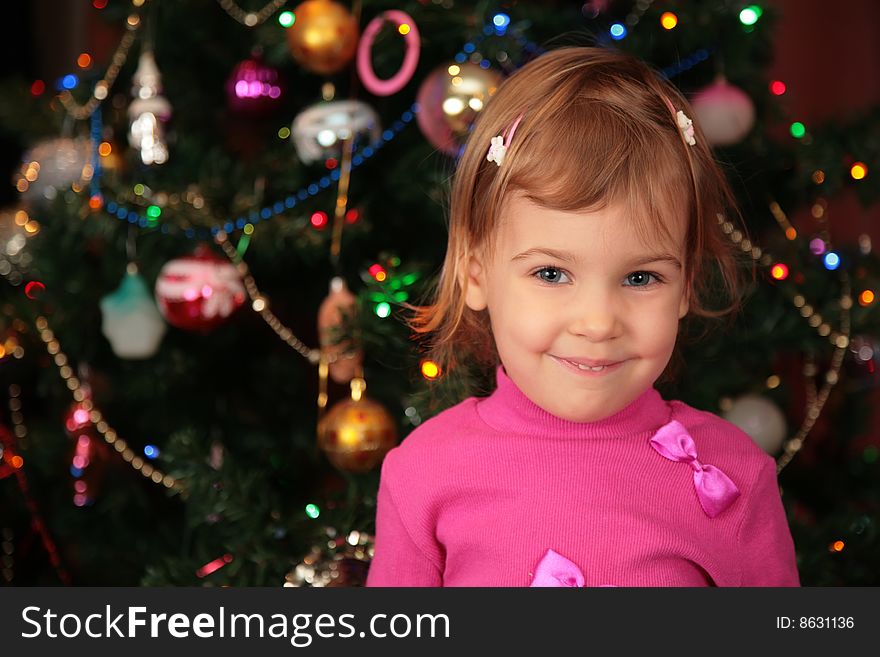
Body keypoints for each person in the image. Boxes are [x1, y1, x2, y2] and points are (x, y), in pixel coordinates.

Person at [366, 46, 800, 587]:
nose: (598, 323)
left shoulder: (730, 474)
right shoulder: (423, 473)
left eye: (641, 278)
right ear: (476, 273)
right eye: (551, 274)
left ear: (686, 284)